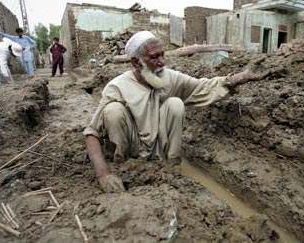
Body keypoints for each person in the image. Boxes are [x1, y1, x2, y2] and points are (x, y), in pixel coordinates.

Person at [83, 31, 282, 192]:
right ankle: (123, 166)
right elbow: (92, 133)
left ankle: (170, 168)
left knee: (176, 103)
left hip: (157, 148)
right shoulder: (117, 87)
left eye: (162, 55)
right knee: (113, 111)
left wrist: (242, 76)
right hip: (131, 146)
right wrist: (103, 174)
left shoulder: (169, 77)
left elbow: (203, 87)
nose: (162, 62)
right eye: (154, 57)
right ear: (136, 62)